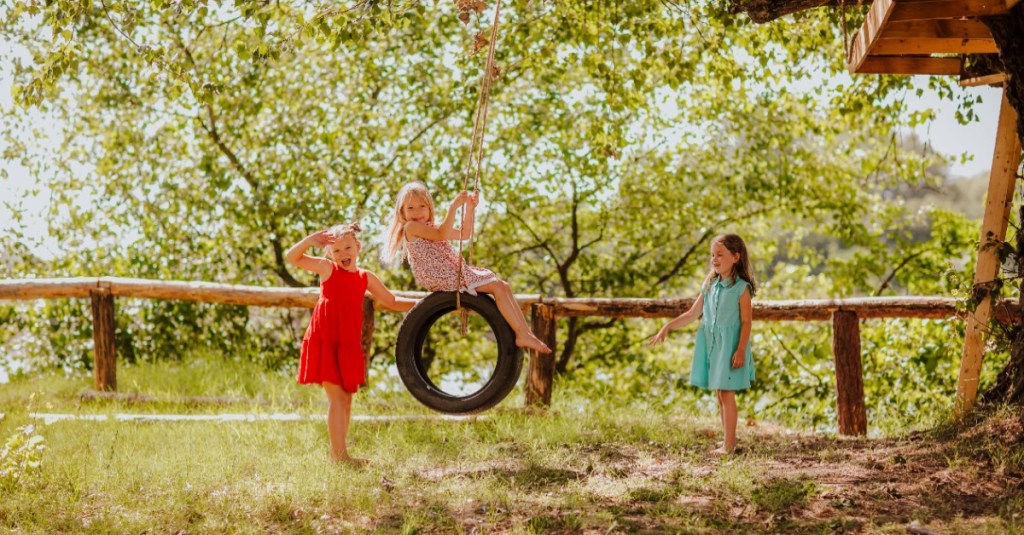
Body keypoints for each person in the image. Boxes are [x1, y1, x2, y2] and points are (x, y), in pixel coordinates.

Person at [286, 222, 417, 465]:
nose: (343, 254)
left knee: (346, 398)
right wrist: (309, 240)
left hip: (347, 343)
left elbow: (391, 300)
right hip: (325, 339)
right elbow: (291, 257)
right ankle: (339, 457)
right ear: (329, 254)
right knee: (337, 398)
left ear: (357, 247)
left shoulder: (365, 277)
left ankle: (339, 454)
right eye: (336, 251)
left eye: (347, 248)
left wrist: (422, 305)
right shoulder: (327, 269)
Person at [381, 181, 551, 354]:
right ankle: (522, 333)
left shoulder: (431, 226)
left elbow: (465, 233)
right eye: (410, 208)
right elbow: (442, 235)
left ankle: (524, 332)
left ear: (429, 208)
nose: (417, 212)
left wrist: (469, 209)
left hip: (449, 271)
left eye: (421, 206)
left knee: (504, 286)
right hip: (438, 275)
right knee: (497, 286)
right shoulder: (411, 227)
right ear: (402, 212)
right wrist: (453, 207)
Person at [648, 234, 756, 455]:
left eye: (720, 255)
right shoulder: (710, 284)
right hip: (714, 345)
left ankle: (729, 445)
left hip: (731, 347)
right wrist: (667, 326)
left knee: (727, 394)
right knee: (720, 393)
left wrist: (741, 350)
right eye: (712, 255)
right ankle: (728, 441)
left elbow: (746, 322)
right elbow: (692, 313)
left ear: (736, 257)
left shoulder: (741, 288)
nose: (714, 259)